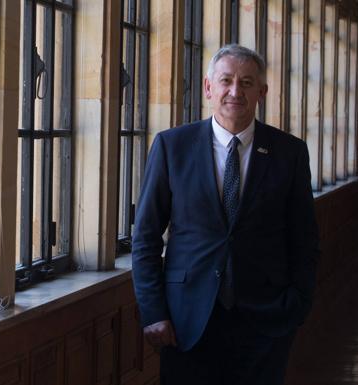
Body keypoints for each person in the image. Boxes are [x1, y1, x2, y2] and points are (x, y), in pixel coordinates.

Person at [131, 44, 319, 385]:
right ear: (208, 88)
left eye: (247, 83)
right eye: (226, 80)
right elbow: (145, 238)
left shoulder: (289, 152)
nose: (236, 91)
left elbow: (304, 238)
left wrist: (297, 306)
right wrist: (153, 313)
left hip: (266, 320)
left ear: (261, 92)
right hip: (185, 320)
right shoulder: (172, 146)